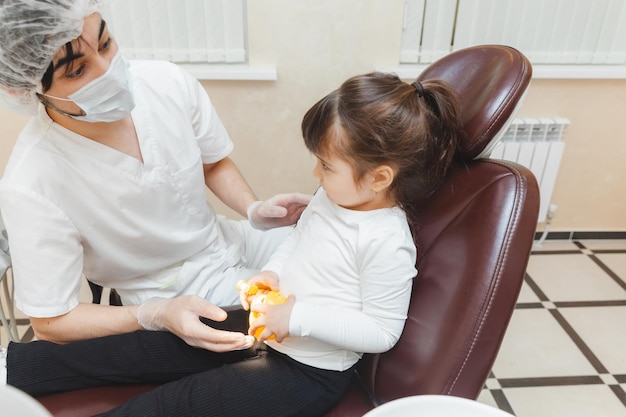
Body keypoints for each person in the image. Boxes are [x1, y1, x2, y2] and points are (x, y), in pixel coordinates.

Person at [3, 72, 461, 416]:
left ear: (379, 178)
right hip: (268, 329)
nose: (315, 175)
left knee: (172, 405)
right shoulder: (334, 199)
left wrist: (295, 317)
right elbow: (297, 245)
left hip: (306, 372)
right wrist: (273, 274)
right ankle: (15, 368)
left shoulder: (386, 241)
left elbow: (382, 332)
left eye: (326, 165)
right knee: (150, 346)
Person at [0, 0, 311, 352]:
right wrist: (155, 314)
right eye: (77, 71)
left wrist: (254, 209)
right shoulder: (32, 182)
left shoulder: (164, 81)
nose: (107, 70)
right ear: (25, 88)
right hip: (168, 291)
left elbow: (213, 163)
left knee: (327, 235)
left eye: (105, 44)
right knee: (320, 299)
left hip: (224, 239)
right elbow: (52, 321)